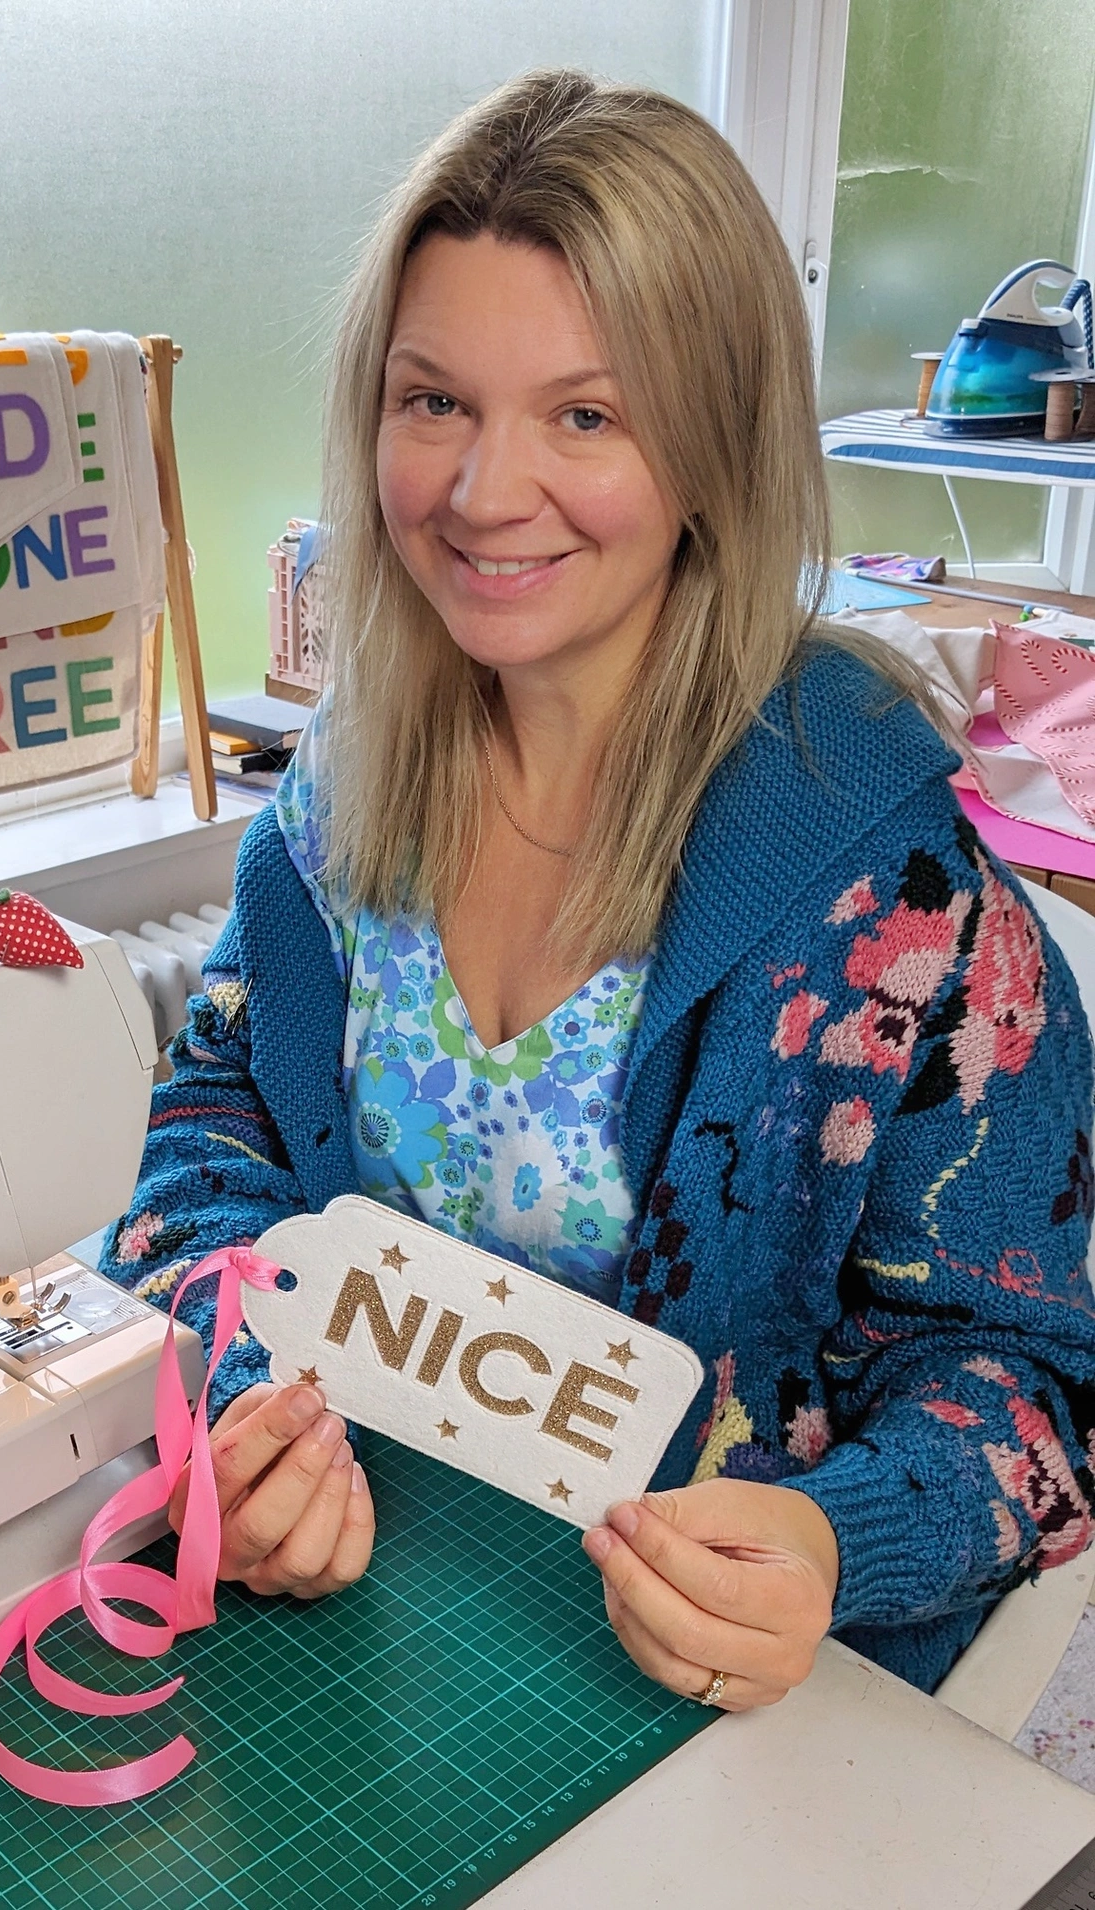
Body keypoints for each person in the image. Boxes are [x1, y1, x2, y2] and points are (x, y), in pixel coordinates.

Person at [103, 69, 1095, 1709]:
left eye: (587, 414)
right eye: (435, 402)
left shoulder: (898, 891)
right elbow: (213, 1136)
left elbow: (1033, 1383)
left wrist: (834, 1541)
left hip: (722, 1706)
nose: (486, 494)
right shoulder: (337, 808)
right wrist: (246, 1396)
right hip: (375, 1620)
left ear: (711, 446)